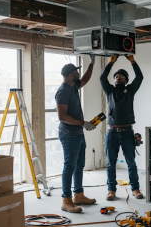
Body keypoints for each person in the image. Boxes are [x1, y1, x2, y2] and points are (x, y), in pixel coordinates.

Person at [55, 55, 97, 213]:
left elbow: (85, 79)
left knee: (79, 165)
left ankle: (78, 195)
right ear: (71, 75)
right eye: (76, 72)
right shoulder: (62, 92)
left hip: (78, 133)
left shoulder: (73, 86)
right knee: (69, 167)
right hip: (69, 135)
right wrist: (82, 123)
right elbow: (62, 116)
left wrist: (92, 63)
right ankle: (66, 200)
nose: (79, 74)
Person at [100, 54, 143, 201]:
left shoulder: (130, 90)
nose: (118, 78)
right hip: (112, 133)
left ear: (126, 80)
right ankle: (111, 190)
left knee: (131, 163)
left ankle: (135, 189)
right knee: (111, 164)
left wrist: (132, 61)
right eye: (116, 77)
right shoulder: (110, 91)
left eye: (121, 77)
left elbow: (140, 77)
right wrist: (111, 63)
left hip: (127, 133)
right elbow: (102, 78)